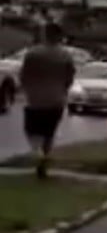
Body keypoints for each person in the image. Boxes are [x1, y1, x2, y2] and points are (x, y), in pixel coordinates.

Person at [19, 23, 75, 179]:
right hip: (56, 100)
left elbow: (24, 75)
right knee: (49, 133)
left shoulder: (33, 53)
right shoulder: (65, 55)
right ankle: (44, 160)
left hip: (36, 100)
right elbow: (70, 77)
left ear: (45, 34)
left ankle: (38, 154)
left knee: (32, 131)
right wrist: (63, 90)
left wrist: (27, 89)